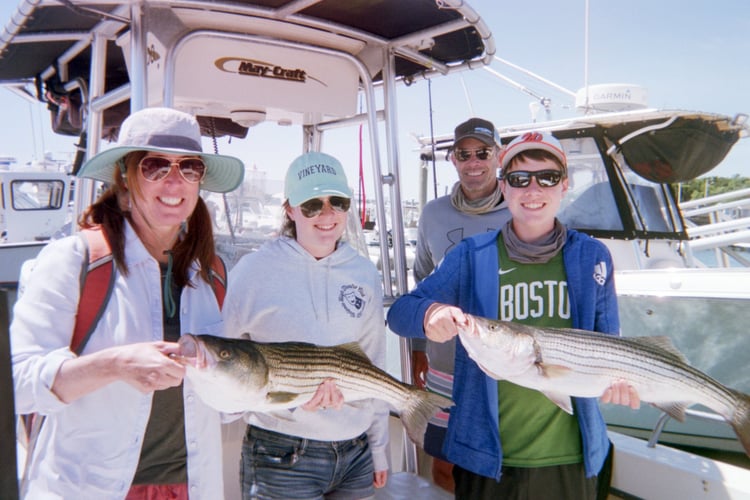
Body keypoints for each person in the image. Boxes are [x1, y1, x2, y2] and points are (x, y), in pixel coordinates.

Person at [388, 131, 640, 500]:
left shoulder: (592, 257)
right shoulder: (471, 256)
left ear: (564, 185)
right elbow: (399, 313)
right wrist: (430, 314)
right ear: (504, 188)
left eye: (547, 177)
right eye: (520, 179)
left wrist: (620, 382)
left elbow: (607, 344)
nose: (533, 190)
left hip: (571, 456)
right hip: (487, 459)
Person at [12, 107, 245, 499]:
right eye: (155, 166)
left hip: (192, 487)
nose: (175, 181)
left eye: (190, 168)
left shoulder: (213, 274)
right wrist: (115, 365)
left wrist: (293, 395)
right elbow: (16, 383)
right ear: (124, 181)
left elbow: (226, 404)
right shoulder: (73, 260)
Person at [223, 152, 389, 499]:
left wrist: (378, 447)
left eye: (338, 202)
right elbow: (225, 369)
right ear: (290, 210)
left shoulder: (364, 272)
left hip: (355, 454)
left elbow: (374, 365)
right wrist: (290, 402)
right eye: (312, 204)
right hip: (281, 455)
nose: (327, 214)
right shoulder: (252, 273)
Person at [411, 117, 511, 492]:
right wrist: (419, 348)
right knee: (445, 468)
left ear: (498, 156)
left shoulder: (521, 210)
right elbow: (421, 280)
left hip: (503, 365)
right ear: (452, 159)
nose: (473, 162)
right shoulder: (432, 214)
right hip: (444, 363)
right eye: (463, 154)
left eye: (482, 153)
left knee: (504, 467)